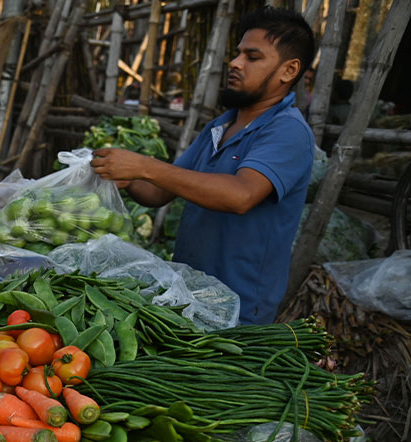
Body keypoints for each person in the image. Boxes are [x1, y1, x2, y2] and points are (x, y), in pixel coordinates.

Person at [90, 7, 316, 325]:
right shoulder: (222, 125)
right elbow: (157, 192)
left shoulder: (287, 131)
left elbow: (240, 195)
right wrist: (120, 175)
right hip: (187, 291)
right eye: (237, 54)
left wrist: (145, 165)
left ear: (289, 70)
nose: (235, 63)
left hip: (238, 306)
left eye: (252, 57)